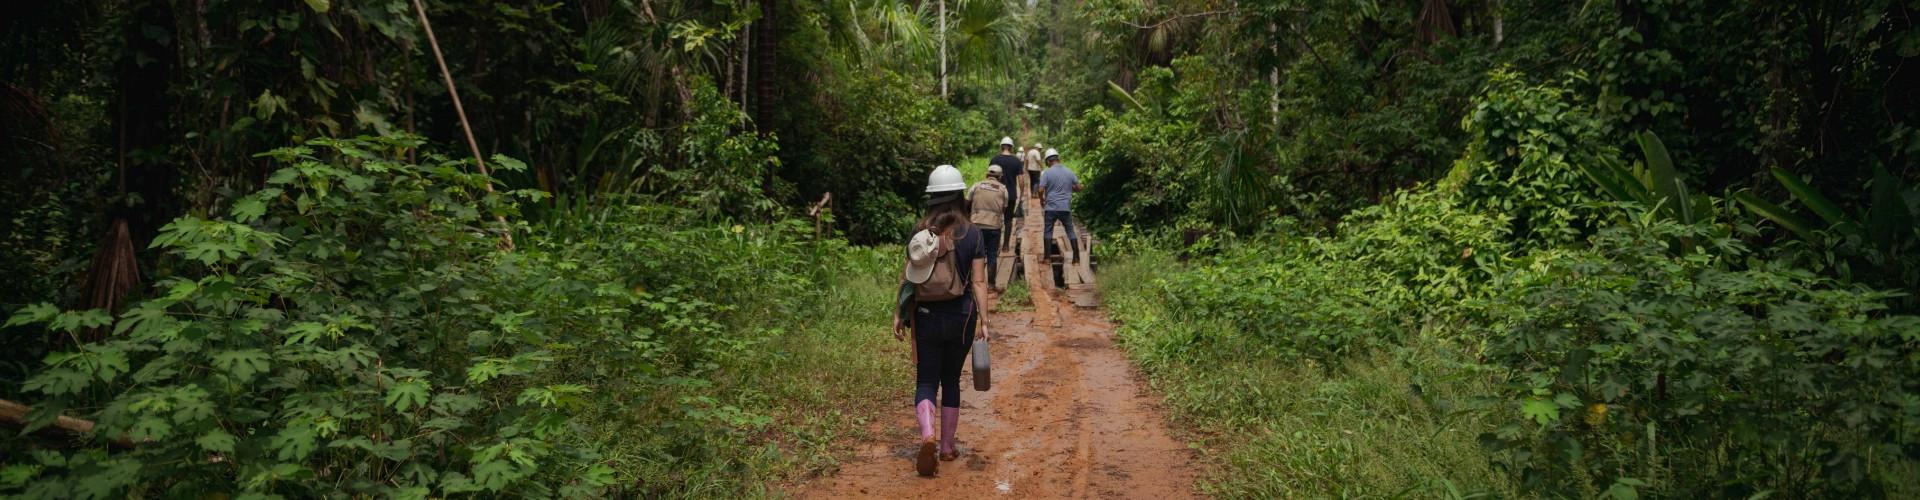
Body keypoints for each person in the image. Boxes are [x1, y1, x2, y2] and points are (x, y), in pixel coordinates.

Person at [894, 164, 992, 477]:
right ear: (960, 194)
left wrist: (898, 311)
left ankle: (927, 436)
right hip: (962, 316)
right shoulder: (972, 232)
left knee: (926, 380)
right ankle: (947, 447)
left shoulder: (918, 230)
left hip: (925, 315)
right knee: (950, 380)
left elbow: (907, 275)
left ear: (931, 197)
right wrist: (985, 321)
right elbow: (978, 281)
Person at [968, 165, 1013, 289]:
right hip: (994, 227)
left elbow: (967, 203)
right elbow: (1004, 209)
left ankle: (973, 281)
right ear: (999, 177)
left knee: (974, 254)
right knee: (992, 254)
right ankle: (992, 284)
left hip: (976, 226)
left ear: (987, 175)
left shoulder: (976, 185)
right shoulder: (1003, 189)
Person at [1036, 148, 1082, 263]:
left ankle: (1047, 258)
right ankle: (1076, 258)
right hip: (1065, 207)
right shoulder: (1069, 171)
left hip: (1050, 207)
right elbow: (1079, 187)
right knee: (1070, 231)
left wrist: (1042, 200)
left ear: (1047, 161)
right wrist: (1072, 189)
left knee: (1048, 231)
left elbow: (1041, 189)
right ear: (1058, 159)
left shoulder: (1047, 173)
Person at [990, 137, 1025, 202]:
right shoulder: (1016, 161)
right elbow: (1021, 180)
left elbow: (989, 177)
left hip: (996, 193)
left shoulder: (994, 159)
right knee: (1009, 212)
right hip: (1011, 195)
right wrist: (1022, 194)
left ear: (1001, 147)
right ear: (1011, 147)